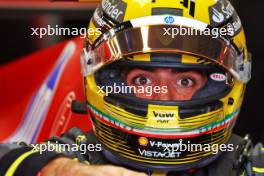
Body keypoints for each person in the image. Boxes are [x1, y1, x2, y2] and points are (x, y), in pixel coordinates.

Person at [1, 0, 263, 175]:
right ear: (104, 80)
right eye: (142, 80)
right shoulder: (77, 155)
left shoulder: (251, 163)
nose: (164, 96)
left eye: (185, 81)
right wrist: (62, 169)